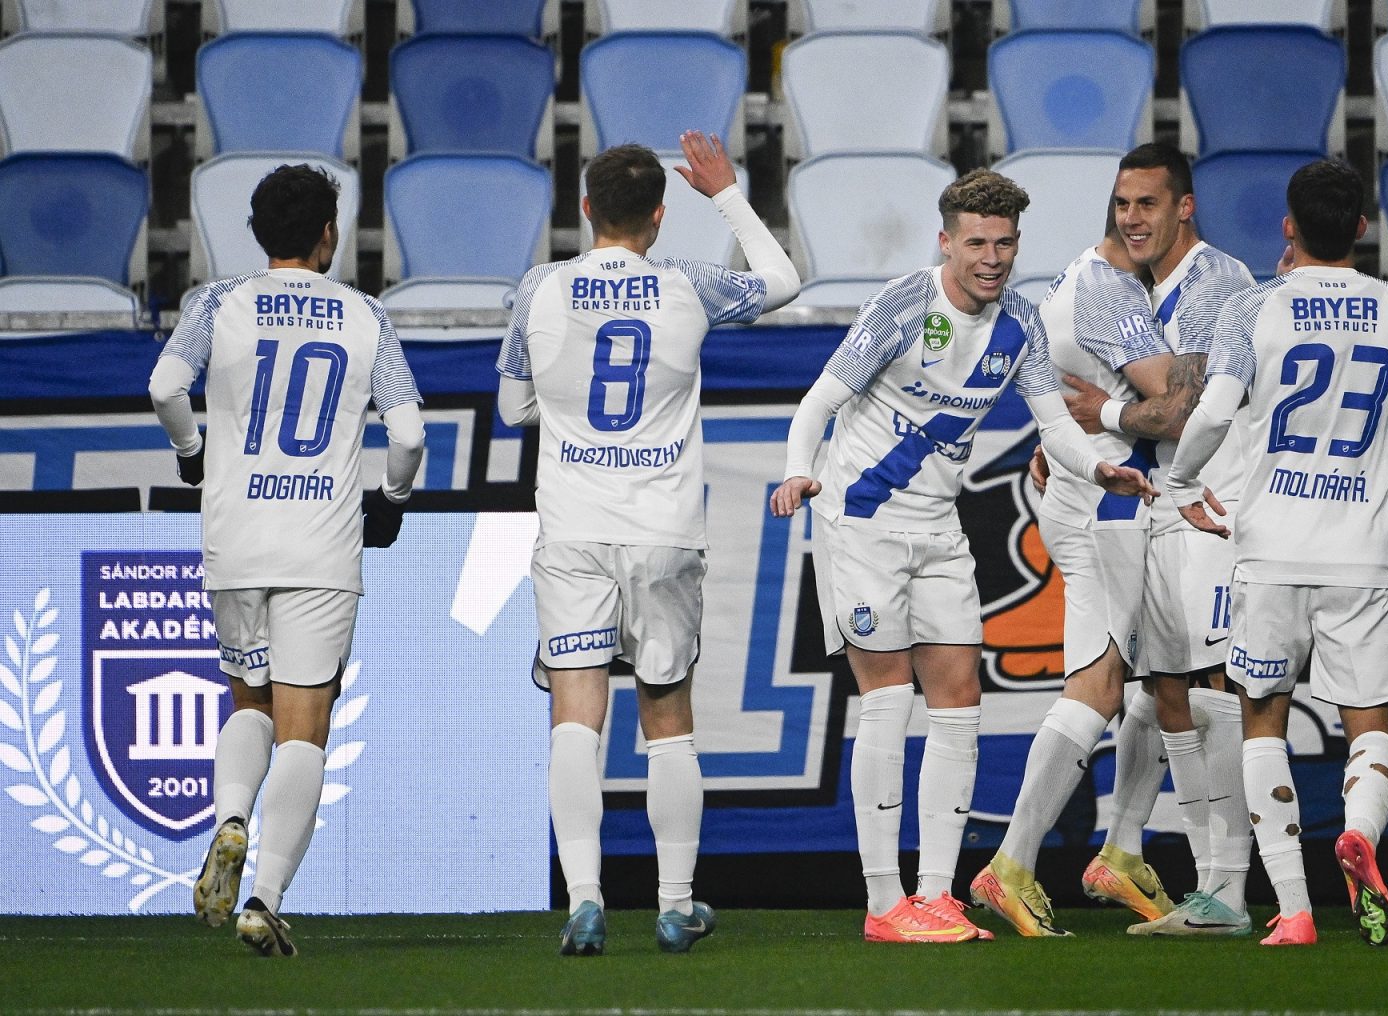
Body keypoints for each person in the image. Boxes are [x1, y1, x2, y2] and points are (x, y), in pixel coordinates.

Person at [768, 169, 1156, 943]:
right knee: (887, 701)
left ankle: (937, 896)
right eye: (976, 242)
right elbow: (820, 401)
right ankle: (885, 905)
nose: (992, 258)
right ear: (945, 241)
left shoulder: (1021, 321)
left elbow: (1055, 426)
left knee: (958, 704)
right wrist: (796, 470)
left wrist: (1097, 469)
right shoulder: (904, 304)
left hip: (940, 531)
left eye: (1004, 243)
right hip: (864, 524)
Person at [497, 132, 800, 956]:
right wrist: (727, 192)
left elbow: (513, 409)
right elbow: (783, 280)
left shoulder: (540, 288)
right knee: (667, 718)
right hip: (663, 530)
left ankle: (583, 901)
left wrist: (568, 411)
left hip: (574, 529)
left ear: (585, 208)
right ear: (659, 217)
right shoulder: (686, 284)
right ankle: (674, 904)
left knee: (575, 716)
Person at [1163, 157, 1388, 947]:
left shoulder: (1254, 307)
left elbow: (1213, 413)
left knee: (1263, 721)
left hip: (1270, 552)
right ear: (1362, 227)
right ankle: (1359, 831)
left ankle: (1293, 910)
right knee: (1372, 724)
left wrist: (1181, 481)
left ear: (1288, 228)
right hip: (1361, 554)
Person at [150, 164, 426, 957]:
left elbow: (165, 385)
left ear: (256, 231)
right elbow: (408, 434)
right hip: (320, 545)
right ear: (328, 235)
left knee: (250, 702)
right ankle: (263, 899)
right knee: (305, 727)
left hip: (236, 538)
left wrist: (191, 452)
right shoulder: (366, 314)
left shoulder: (216, 302)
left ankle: (231, 817)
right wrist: (391, 502)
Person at [1058, 143, 1256, 936]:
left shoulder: (1215, 285)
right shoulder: (1138, 288)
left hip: (1216, 503)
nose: (1131, 218)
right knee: (1167, 688)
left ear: (1185, 207)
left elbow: (1184, 411)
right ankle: (1209, 886)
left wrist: (1101, 417)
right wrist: (1078, 444)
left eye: (1148, 203)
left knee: (1218, 687)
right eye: (1122, 203)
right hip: (1166, 508)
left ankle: (1231, 885)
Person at [1003, 205, 1179, 932]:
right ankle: (1011, 864)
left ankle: (1124, 849)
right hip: (1106, 505)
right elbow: (1181, 405)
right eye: (1132, 207)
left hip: (1107, 494)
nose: (1141, 222)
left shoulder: (1080, 279)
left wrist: (1068, 437)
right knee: (1100, 683)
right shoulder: (1107, 288)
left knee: (1166, 672)